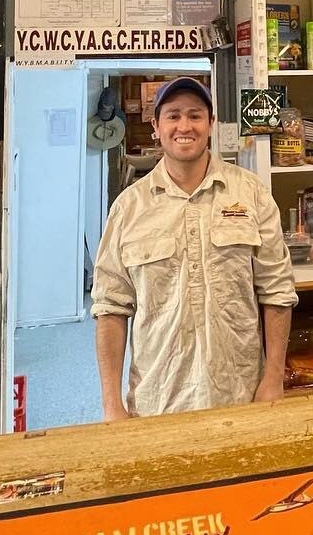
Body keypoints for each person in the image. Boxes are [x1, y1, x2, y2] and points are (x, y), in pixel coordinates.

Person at [91, 77, 296, 420]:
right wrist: (111, 403)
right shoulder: (129, 209)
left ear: (211, 123)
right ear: (156, 126)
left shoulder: (251, 194)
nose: (184, 126)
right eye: (173, 116)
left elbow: (277, 291)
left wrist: (273, 378)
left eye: (195, 115)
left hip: (241, 394)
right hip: (158, 401)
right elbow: (110, 307)